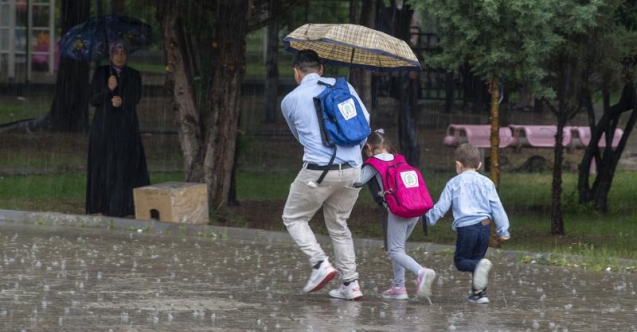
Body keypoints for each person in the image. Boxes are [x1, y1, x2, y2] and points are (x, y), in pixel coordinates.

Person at [281, 49, 369, 300]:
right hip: (354, 170)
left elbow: (299, 136)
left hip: (318, 171)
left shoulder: (290, 100)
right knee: (339, 225)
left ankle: (320, 264)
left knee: (294, 217)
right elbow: (365, 124)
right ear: (321, 69)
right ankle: (351, 284)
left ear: (296, 73)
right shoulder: (344, 88)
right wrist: (352, 155)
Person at [423, 143, 510, 304]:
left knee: (462, 261)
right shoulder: (487, 182)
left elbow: (441, 207)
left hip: (467, 228)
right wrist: (503, 230)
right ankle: (479, 294)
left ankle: (479, 279)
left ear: (458, 165)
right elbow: (497, 206)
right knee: (478, 260)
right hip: (485, 226)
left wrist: (428, 219)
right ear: (479, 165)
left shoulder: (454, 183)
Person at [354, 130, 436, 300]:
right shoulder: (400, 160)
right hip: (415, 209)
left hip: (398, 211)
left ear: (368, 147)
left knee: (395, 250)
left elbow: (357, 181)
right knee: (398, 248)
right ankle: (399, 287)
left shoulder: (374, 163)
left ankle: (421, 272)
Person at [85, 41, 150, 217]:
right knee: (105, 166)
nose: (120, 56)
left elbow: (136, 96)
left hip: (125, 127)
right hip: (104, 127)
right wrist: (109, 89)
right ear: (110, 55)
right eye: (116, 52)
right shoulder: (102, 73)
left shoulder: (133, 75)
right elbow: (93, 100)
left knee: (124, 165)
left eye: (123, 52)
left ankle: (124, 205)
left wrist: (123, 101)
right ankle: (103, 204)